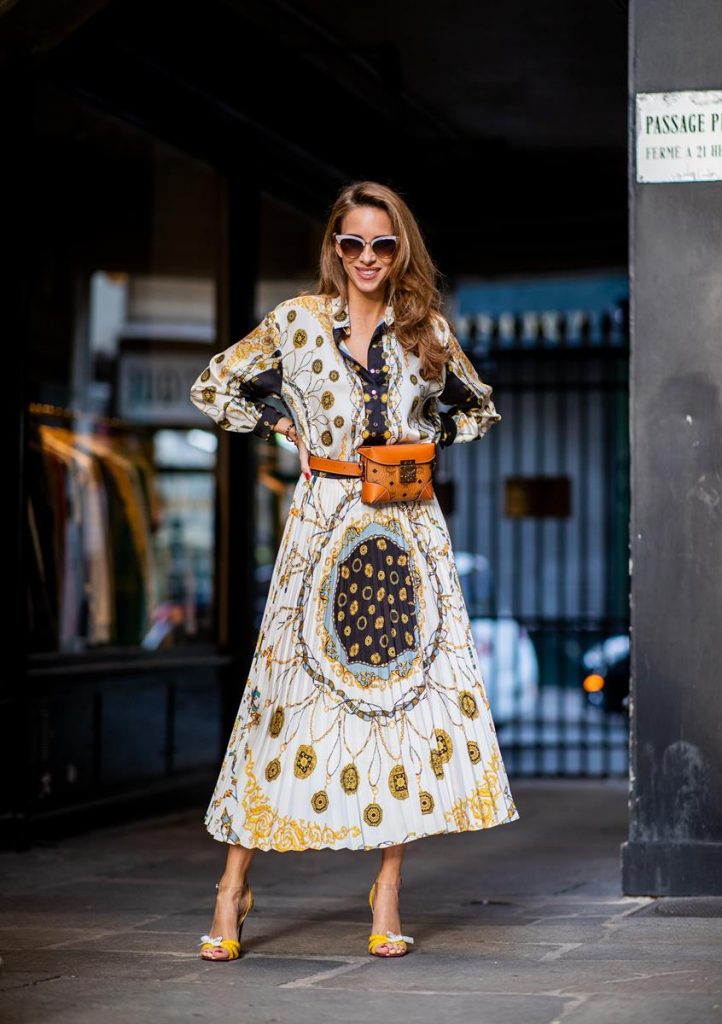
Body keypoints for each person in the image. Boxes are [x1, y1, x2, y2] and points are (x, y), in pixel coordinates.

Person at [189, 180, 520, 961]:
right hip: (320, 526)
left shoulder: (425, 330)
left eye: (382, 244)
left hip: (406, 534)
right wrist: (281, 425)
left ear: (399, 250)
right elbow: (214, 387)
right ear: (334, 249)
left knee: (403, 713)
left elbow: (478, 407)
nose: (367, 258)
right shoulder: (297, 323)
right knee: (283, 703)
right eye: (352, 244)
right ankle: (232, 888)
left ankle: (388, 889)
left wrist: (426, 440)